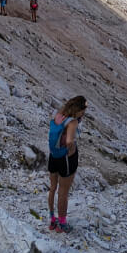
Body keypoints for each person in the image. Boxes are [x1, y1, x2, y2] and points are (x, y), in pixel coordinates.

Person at [46, 96, 86, 232]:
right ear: (79, 109)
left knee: (52, 188)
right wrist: (70, 148)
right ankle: (62, 224)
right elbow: (69, 140)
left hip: (53, 156)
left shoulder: (59, 114)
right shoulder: (72, 122)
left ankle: (52, 220)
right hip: (66, 159)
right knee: (63, 192)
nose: (84, 113)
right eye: (84, 110)